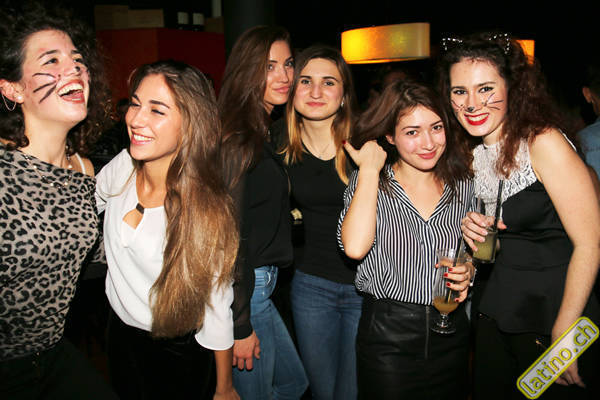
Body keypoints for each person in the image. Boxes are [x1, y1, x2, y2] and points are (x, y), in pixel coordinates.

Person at [439, 32, 600, 399]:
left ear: (512, 88)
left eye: (486, 89)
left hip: (554, 314)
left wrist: (566, 329)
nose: (472, 103)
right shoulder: (475, 153)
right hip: (497, 314)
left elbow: (590, 244)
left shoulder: (544, 142)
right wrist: (475, 244)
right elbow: (503, 244)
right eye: (460, 91)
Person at [96, 60, 239, 400]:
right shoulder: (123, 167)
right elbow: (85, 203)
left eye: (157, 110)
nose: (136, 119)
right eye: (135, 104)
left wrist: (224, 387)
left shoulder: (205, 209)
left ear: (190, 124)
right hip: (119, 336)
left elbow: (217, 307)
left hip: (179, 354)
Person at [0, 2, 116, 399]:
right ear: (13, 88)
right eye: (52, 60)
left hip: (51, 354)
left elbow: (93, 255)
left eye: (78, 61)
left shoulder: (84, 170)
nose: (75, 70)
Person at [338, 79, 474, 399]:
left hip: (452, 330)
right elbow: (354, 248)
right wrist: (369, 171)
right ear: (390, 136)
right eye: (412, 132)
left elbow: (471, 250)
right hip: (388, 337)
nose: (428, 143)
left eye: (436, 128)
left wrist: (469, 269)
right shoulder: (371, 183)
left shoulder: (464, 183)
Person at [218, 26, 308, 400]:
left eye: (288, 64)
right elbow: (229, 234)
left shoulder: (260, 129)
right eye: (269, 66)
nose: (284, 76)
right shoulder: (239, 138)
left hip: (259, 288)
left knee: (293, 383)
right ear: (247, 70)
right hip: (247, 291)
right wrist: (240, 324)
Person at [278, 44, 361, 400]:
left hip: (365, 287)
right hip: (310, 285)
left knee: (352, 392)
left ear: (344, 94)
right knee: (324, 393)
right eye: (305, 81)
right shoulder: (277, 146)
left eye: (328, 82)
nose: (315, 92)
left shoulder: (366, 143)